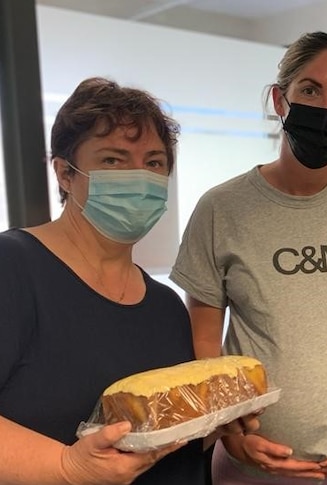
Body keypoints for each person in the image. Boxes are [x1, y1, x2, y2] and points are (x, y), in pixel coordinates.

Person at [170, 31, 327, 484]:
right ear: (279, 100)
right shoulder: (221, 209)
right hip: (253, 468)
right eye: (309, 90)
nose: (325, 109)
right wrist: (230, 433)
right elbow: (204, 347)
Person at [0, 77, 207, 484]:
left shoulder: (165, 306)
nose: (139, 177)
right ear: (65, 174)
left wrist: (220, 426)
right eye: (113, 160)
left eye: (153, 163)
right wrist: (66, 467)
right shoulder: (13, 269)